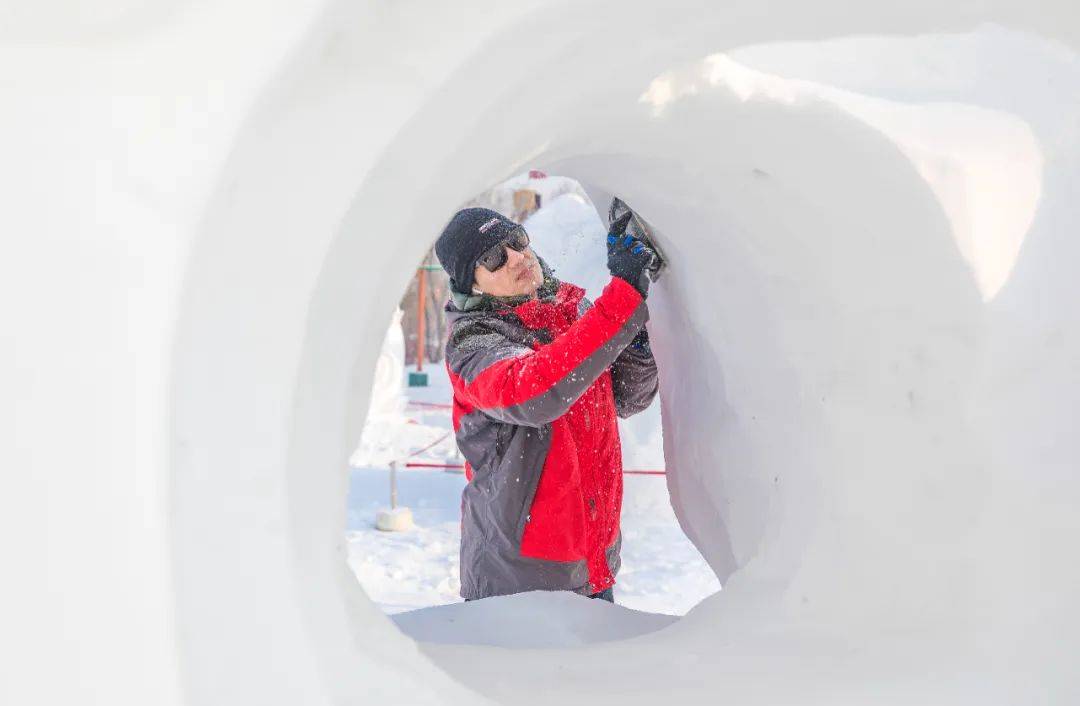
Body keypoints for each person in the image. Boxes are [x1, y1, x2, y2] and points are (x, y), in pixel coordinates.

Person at [435, 206, 659, 603]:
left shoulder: (572, 311)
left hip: (593, 562)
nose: (517, 258)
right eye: (492, 258)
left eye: (516, 241)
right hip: (517, 581)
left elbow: (626, 397)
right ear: (474, 285)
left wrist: (637, 342)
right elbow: (535, 393)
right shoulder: (473, 344)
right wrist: (622, 297)